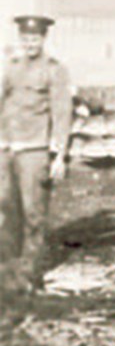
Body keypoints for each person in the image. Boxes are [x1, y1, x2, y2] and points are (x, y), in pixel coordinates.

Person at [0, 15, 71, 279]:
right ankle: (8, 268)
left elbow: (62, 112)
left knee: (33, 213)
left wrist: (59, 156)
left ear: (43, 39)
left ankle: (30, 271)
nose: (30, 43)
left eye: (35, 38)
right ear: (20, 39)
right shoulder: (10, 67)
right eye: (26, 38)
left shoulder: (54, 70)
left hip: (34, 150)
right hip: (6, 149)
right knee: (6, 210)